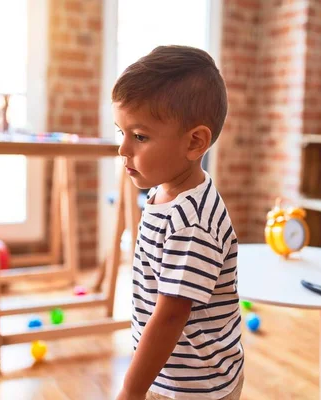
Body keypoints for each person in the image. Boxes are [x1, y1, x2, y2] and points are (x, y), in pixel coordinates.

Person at [112, 45, 244, 400]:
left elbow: (171, 317)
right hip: (170, 372)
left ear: (195, 142)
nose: (123, 149)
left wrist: (130, 390)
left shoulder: (192, 224)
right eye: (120, 132)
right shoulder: (163, 193)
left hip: (195, 387)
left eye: (139, 136)